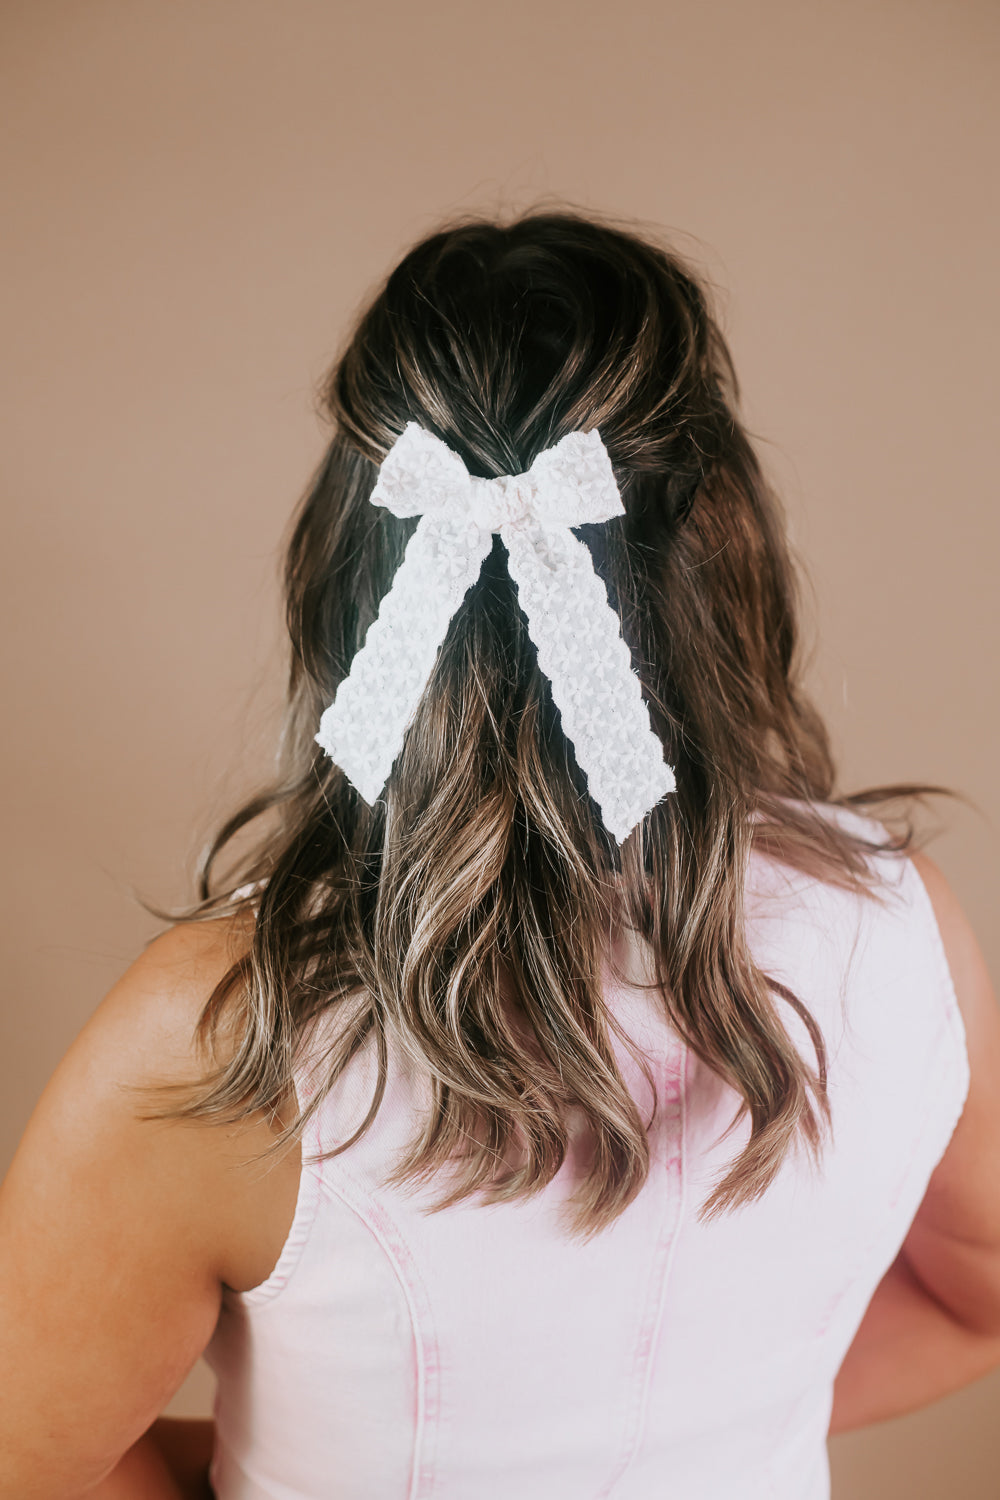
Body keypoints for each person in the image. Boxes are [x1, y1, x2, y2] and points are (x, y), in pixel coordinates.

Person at [2, 210, 999, 1500]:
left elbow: (28, 1460)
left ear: (351, 562)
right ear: (726, 550)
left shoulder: (223, 1035)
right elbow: (976, 1302)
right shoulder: (909, 931)